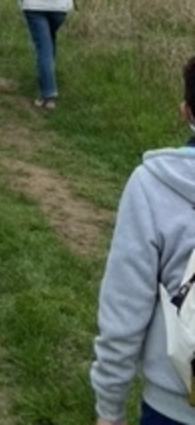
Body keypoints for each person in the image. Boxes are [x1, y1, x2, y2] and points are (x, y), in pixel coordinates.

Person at [91, 54, 195, 425]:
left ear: (186, 112)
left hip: (175, 405)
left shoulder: (154, 186)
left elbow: (125, 307)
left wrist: (109, 408)